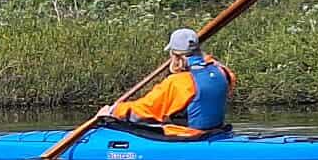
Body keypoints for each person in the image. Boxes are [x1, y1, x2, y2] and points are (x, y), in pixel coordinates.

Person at [97, 28, 234, 138]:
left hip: (188, 137)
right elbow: (212, 68)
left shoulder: (178, 82)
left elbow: (144, 111)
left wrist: (113, 111)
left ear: (174, 54)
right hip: (215, 132)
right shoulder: (221, 72)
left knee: (118, 122)